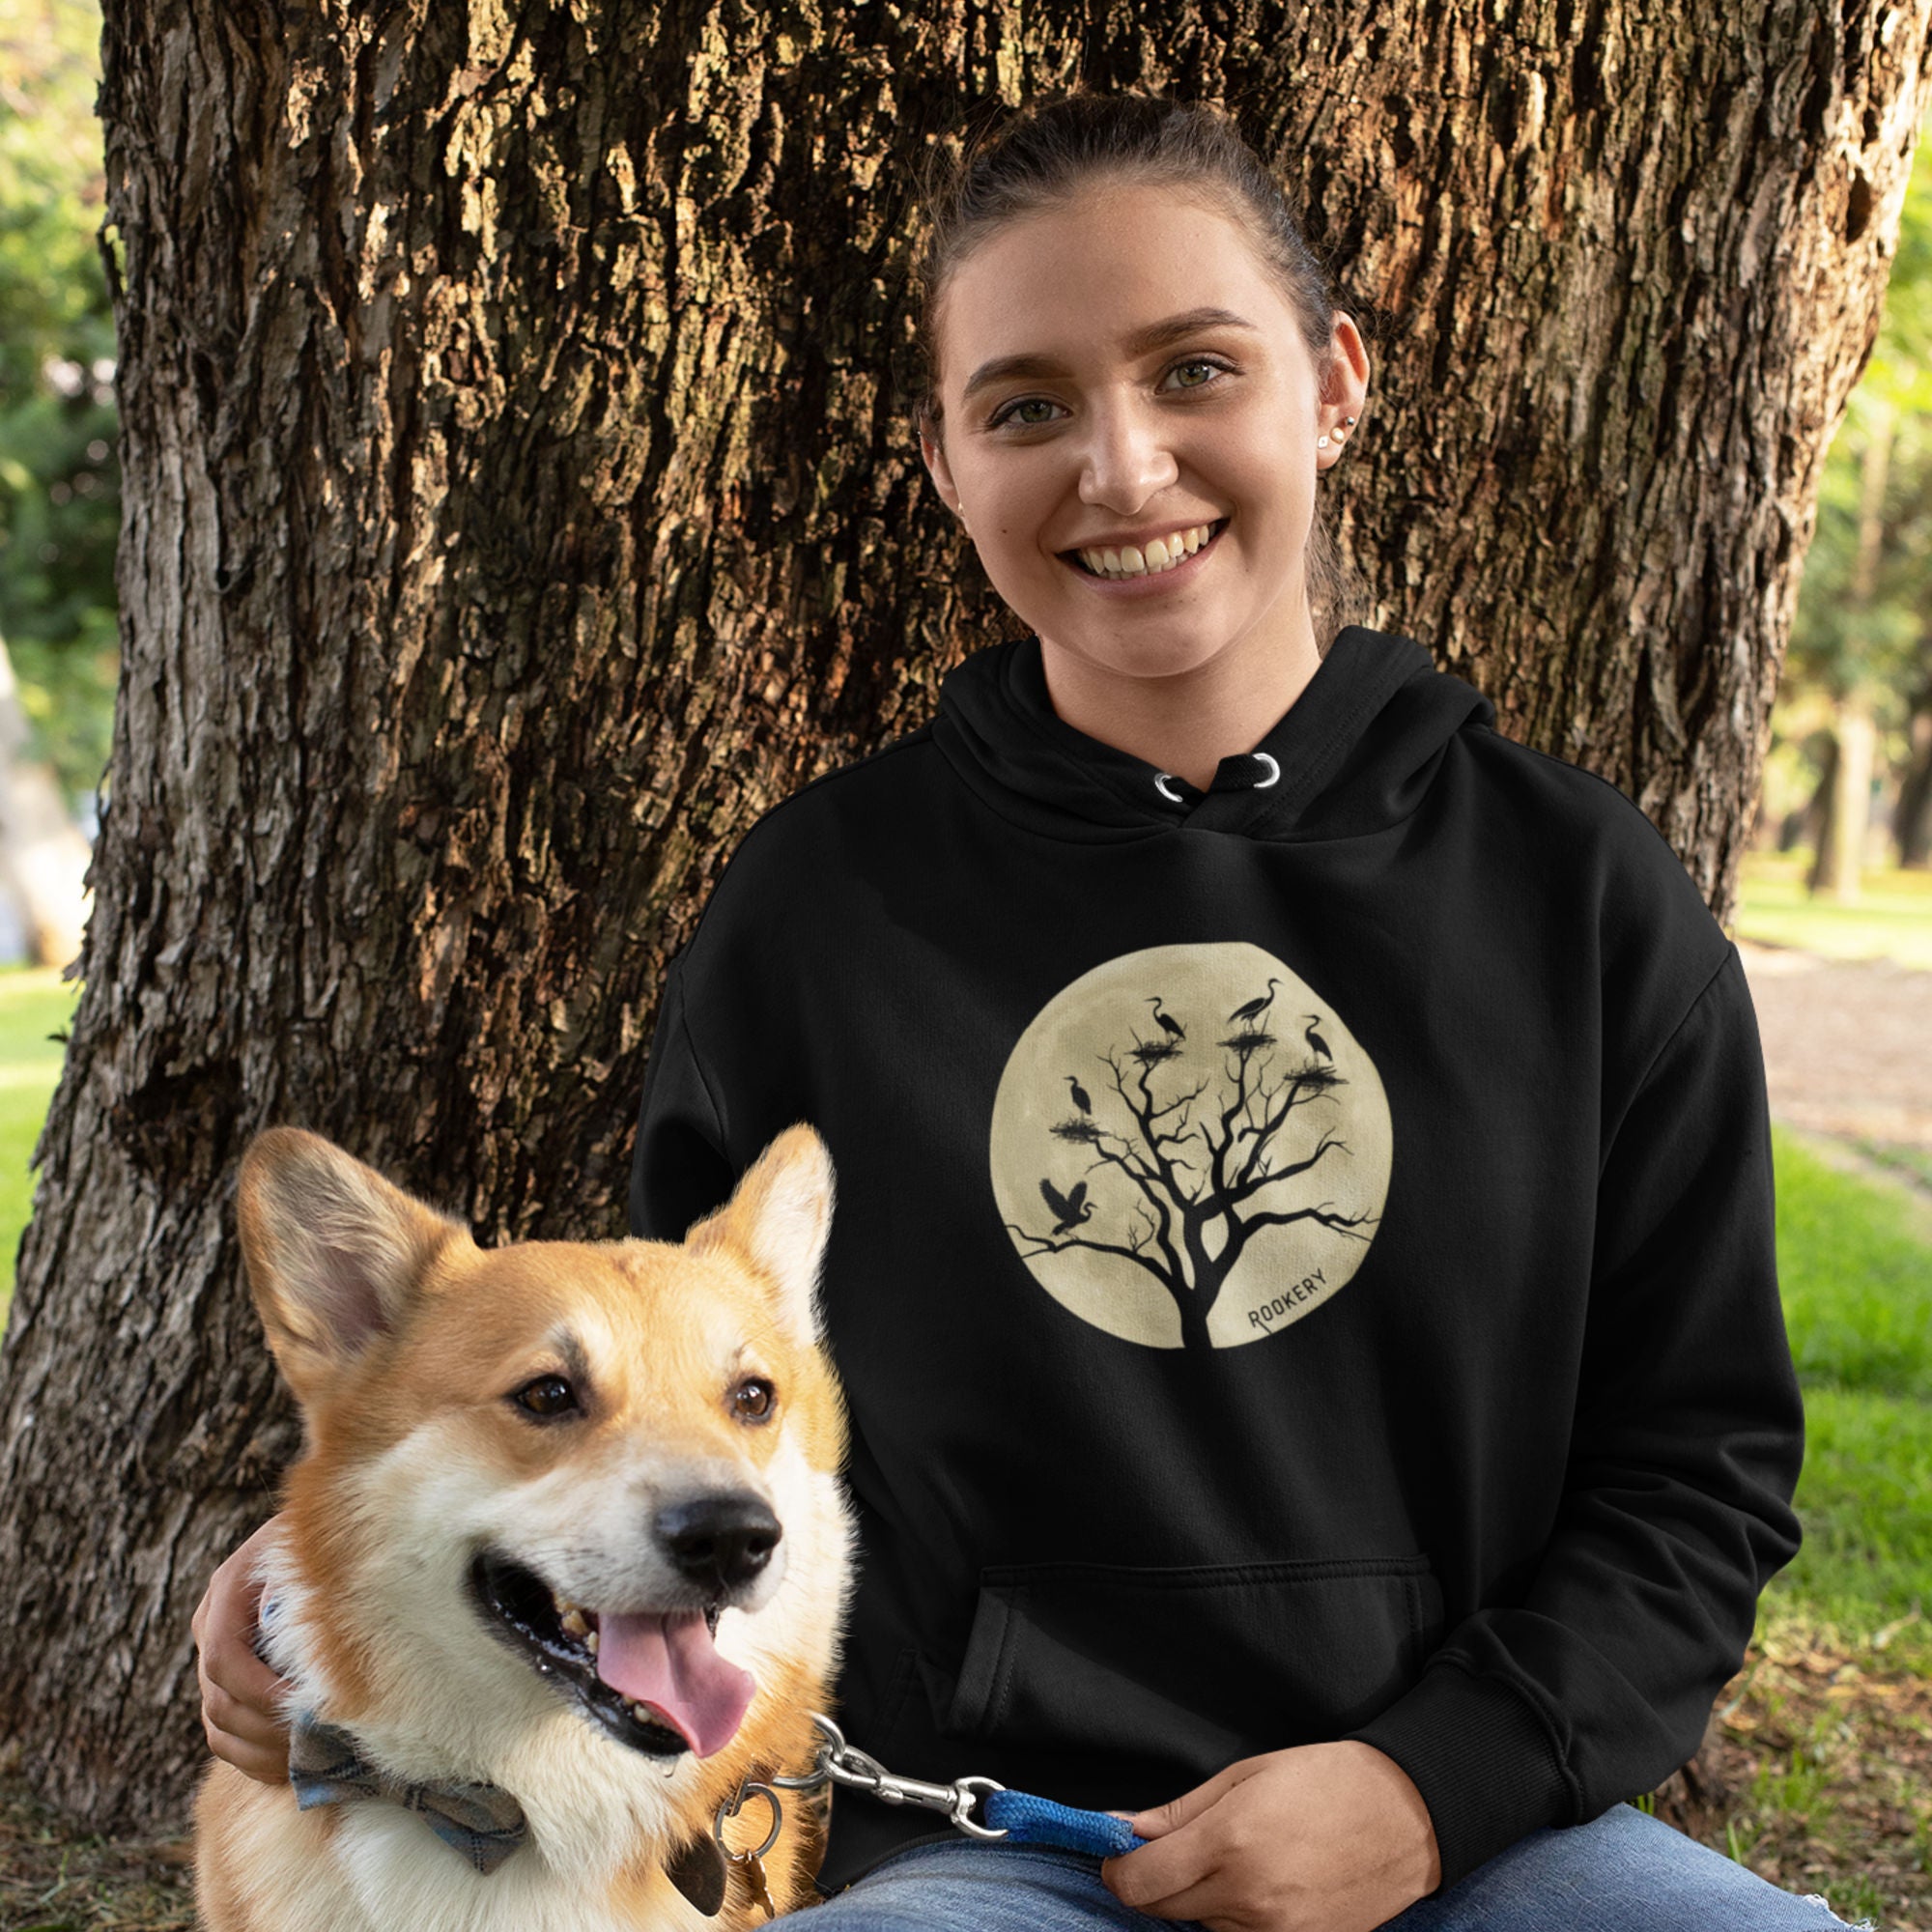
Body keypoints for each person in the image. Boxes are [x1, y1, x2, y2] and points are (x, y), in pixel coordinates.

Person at [196, 93, 1863, 1932]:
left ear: (1333, 386)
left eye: (1196, 370)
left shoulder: (1582, 894)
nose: (1124, 469)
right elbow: (671, 1410)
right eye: (1027, 406)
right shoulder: (819, 912)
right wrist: (322, 1569)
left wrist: (1427, 1786)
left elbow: (1697, 1479)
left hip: (1490, 1838)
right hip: (978, 1852)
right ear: (945, 459)